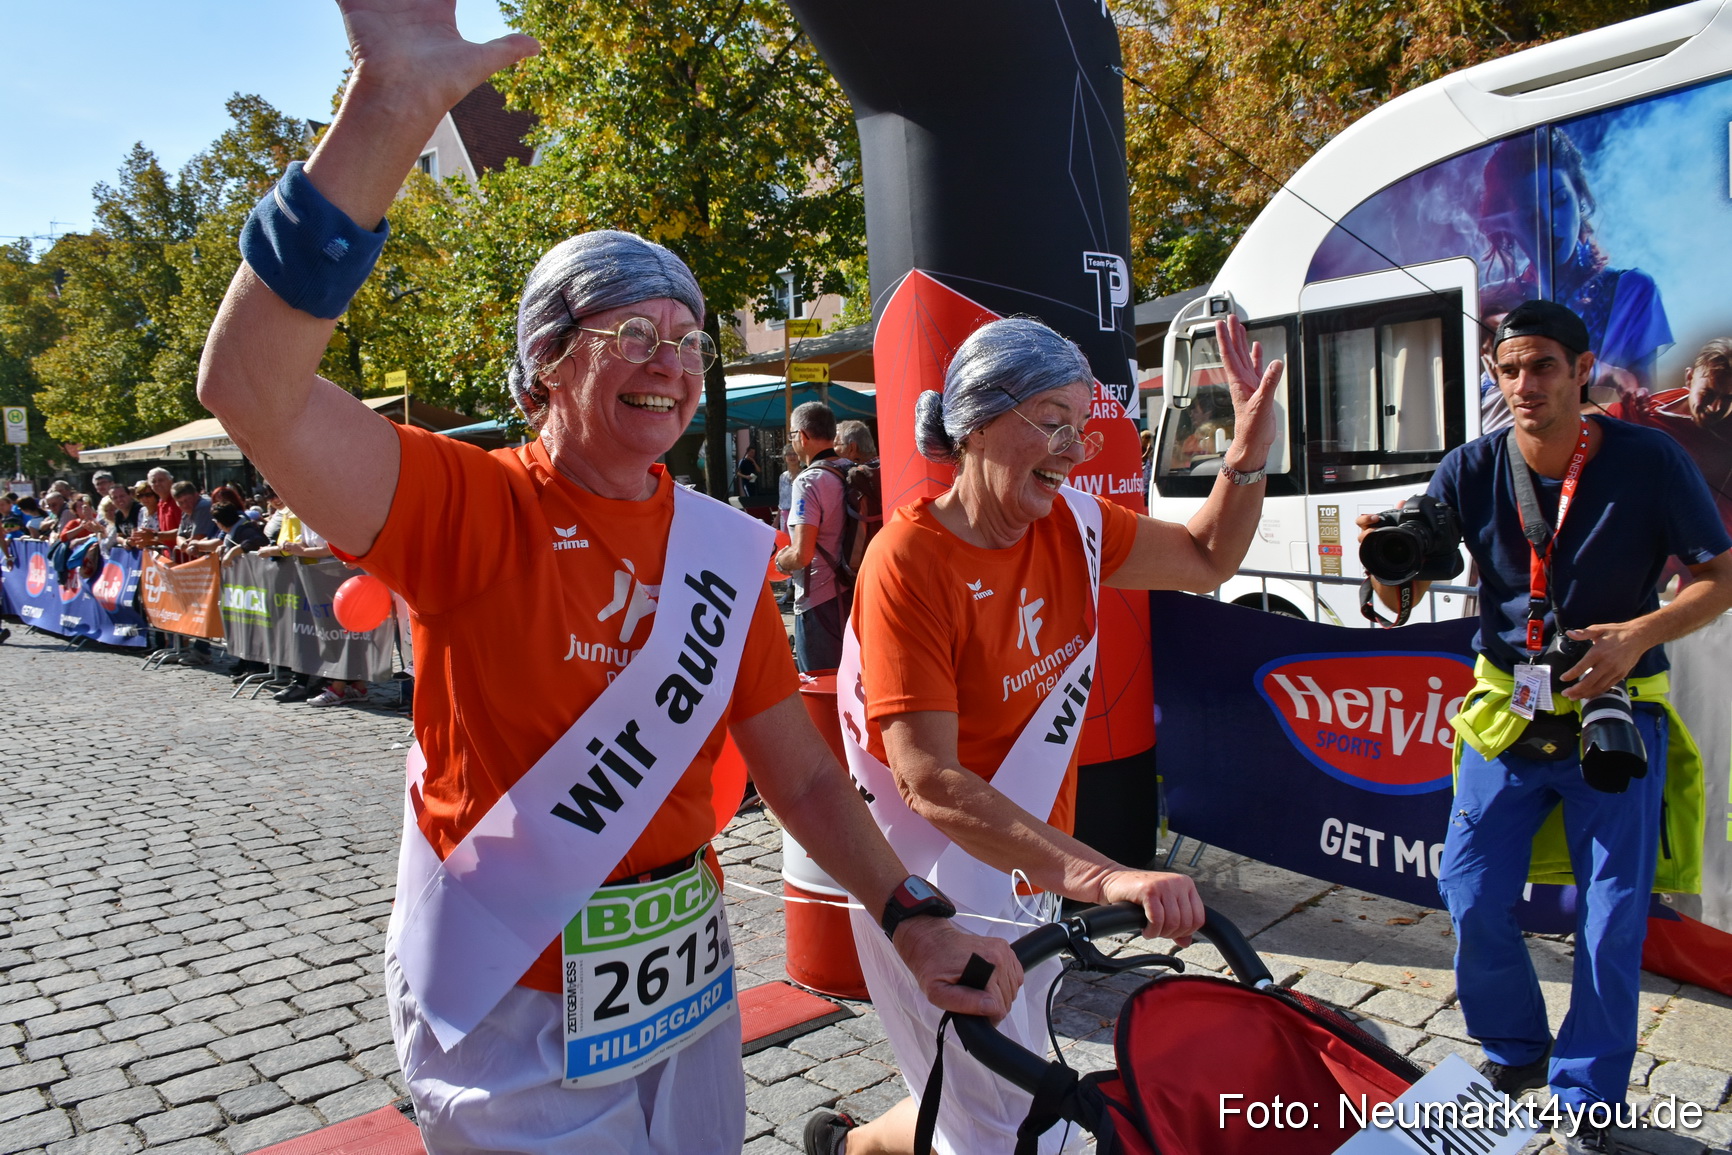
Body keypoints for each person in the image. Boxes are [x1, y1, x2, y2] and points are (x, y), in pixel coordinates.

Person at [194, 5, 1021, 1151]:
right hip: (509, 995)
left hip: (681, 990)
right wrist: (387, 113)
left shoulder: (725, 547)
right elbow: (249, 385)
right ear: (543, 363)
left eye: (687, 338)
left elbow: (809, 781)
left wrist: (909, 913)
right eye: (631, 330)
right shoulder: (471, 500)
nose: (671, 364)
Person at [802, 315, 1283, 1155]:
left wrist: (1246, 453)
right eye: (1052, 422)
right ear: (980, 420)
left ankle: (845, 1148)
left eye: (1083, 427)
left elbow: (1208, 558)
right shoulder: (909, 561)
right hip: (926, 882)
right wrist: (1106, 876)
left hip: (1026, 869)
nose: (1074, 449)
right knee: (1005, 1123)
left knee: (982, 1097)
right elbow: (926, 779)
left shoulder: (1076, 524)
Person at [1360, 300, 1732, 1155]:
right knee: (1472, 892)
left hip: (1615, 710)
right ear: (1496, 376)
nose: (1525, 384)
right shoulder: (1471, 466)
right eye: (1510, 369)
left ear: (1581, 368)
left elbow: (1719, 575)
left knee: (1611, 920)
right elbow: (1405, 587)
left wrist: (1639, 635)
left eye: (1543, 366)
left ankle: (1588, 1091)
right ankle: (1516, 1048)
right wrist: (1387, 565)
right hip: (1509, 711)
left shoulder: (1650, 460)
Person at [1606, 338, 1732, 528]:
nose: (1715, 408)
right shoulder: (1652, 406)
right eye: (1708, 394)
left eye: (1729, 398)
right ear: (1689, 379)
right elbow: (1585, 422)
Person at [774, 401, 847, 671]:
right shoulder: (851, 469)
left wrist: (779, 562)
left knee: (820, 685)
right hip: (856, 591)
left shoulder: (808, 481)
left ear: (802, 437)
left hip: (819, 599)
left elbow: (802, 553)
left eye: (792, 435)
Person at [775, 444, 799, 532]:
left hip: (799, 516)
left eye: (795, 453)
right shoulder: (783, 477)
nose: (792, 456)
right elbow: (781, 501)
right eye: (789, 454)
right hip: (784, 515)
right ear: (785, 457)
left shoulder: (804, 475)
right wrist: (776, 520)